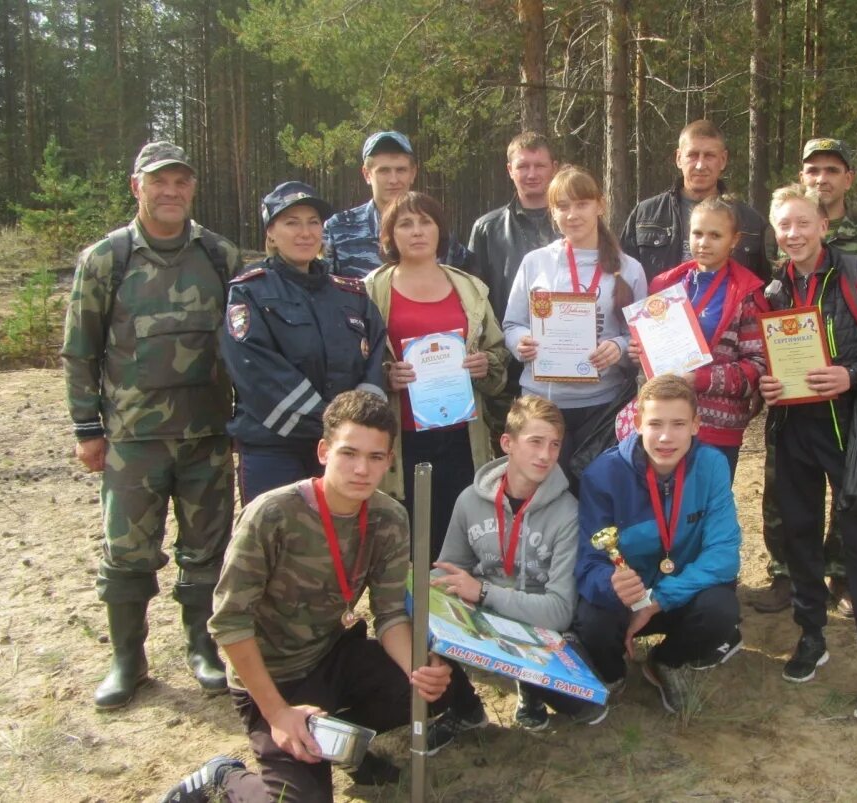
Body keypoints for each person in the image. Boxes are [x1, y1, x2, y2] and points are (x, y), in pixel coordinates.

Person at [159, 391, 454, 803]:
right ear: (323, 451)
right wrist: (278, 713)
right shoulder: (271, 515)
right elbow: (229, 623)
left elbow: (388, 615)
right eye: (349, 453)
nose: (361, 469)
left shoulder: (389, 517)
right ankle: (224, 777)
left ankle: (338, 745)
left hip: (331, 656)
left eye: (375, 457)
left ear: (389, 461)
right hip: (271, 677)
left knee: (434, 689)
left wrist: (415, 669)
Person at [61, 140, 241, 710]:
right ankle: (127, 659)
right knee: (127, 552)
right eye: (159, 182)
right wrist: (86, 429)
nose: (171, 192)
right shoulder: (106, 260)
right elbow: (79, 349)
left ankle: (202, 647)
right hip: (132, 441)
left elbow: (245, 341)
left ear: (192, 189)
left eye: (181, 182)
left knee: (206, 549)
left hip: (208, 435)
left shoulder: (219, 256)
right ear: (137, 186)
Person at [758, 184, 857, 723]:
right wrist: (765, 385)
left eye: (803, 223)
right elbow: (766, 359)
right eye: (784, 226)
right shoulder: (774, 288)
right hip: (793, 429)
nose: (793, 234)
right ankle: (812, 636)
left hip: (850, 429)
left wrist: (850, 374)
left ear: (823, 225)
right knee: (798, 534)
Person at [427, 396, 606, 751]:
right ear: (507, 443)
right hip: (485, 620)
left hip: (539, 629)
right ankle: (464, 708)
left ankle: (531, 685)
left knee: (588, 710)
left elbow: (559, 610)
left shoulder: (568, 513)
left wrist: (482, 593)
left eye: (554, 444)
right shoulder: (469, 501)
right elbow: (446, 573)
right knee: (417, 624)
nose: (546, 455)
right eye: (535, 442)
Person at [754, 137, 857, 616]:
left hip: (848, 395)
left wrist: (853, 373)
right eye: (813, 170)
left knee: (849, 494)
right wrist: (767, 375)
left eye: (833, 169)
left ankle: (844, 574)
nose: (822, 178)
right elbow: (761, 324)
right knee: (783, 491)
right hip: (792, 404)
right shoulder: (778, 263)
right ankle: (787, 573)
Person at [572, 375, 742, 715]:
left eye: (678, 423)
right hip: (628, 599)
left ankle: (666, 661)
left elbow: (724, 556)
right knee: (592, 622)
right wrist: (610, 584)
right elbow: (588, 564)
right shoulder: (602, 474)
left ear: (695, 424)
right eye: (655, 424)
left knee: (722, 612)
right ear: (637, 423)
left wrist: (659, 600)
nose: (666, 437)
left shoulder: (711, 465)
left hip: (674, 596)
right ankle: (612, 673)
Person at [221, 181, 387, 505]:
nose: (305, 232)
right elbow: (255, 371)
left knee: (340, 543)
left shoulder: (350, 293)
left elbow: (374, 356)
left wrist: (352, 426)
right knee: (277, 544)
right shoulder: (249, 292)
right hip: (276, 447)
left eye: (313, 222)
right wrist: (332, 422)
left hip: (343, 449)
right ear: (271, 232)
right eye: (291, 222)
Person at [364, 192, 508, 563]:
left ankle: (454, 618)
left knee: (457, 541)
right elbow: (355, 361)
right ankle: (409, 617)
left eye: (426, 222)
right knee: (406, 544)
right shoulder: (370, 291)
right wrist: (385, 376)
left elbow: (498, 352)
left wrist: (484, 364)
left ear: (440, 230)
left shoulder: (469, 288)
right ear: (389, 234)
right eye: (405, 224)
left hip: (462, 437)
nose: (417, 232)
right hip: (402, 438)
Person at [503, 166, 648, 489]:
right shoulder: (535, 262)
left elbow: (640, 337)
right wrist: (520, 342)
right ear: (552, 212)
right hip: (542, 403)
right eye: (562, 206)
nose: (572, 214)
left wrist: (620, 347)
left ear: (600, 205)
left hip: (602, 406)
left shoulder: (630, 269)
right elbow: (512, 324)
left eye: (581, 204)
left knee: (595, 496)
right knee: (540, 495)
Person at [634, 196, 768, 478]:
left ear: (734, 240)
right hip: (666, 425)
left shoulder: (746, 293)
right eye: (697, 233)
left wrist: (701, 379)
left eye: (715, 235)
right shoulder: (665, 285)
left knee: (707, 511)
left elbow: (756, 366)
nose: (704, 242)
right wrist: (640, 351)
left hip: (717, 429)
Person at [467, 132, 561, 445]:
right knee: (511, 450)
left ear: (554, 168)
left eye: (540, 165)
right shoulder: (487, 228)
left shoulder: (573, 222)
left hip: (564, 361)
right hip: (506, 367)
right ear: (509, 170)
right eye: (523, 166)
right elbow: (473, 300)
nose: (531, 174)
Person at [620, 119, 773, 282]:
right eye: (693, 155)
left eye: (709, 156)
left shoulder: (750, 222)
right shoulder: (645, 216)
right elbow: (622, 277)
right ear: (679, 158)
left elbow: (765, 287)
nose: (700, 165)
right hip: (659, 306)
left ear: (723, 160)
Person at [323, 130, 468, 278]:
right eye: (384, 171)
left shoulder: (433, 231)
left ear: (412, 173)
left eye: (401, 170)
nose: (393, 180)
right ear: (367, 174)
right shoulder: (339, 229)